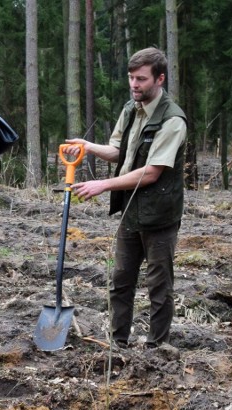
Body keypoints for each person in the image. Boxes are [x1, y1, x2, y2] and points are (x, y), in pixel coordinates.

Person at [64, 47, 187, 348]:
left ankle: (157, 350)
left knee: (159, 286)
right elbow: (121, 152)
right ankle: (118, 344)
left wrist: (103, 185)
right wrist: (89, 146)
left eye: (141, 79)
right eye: (131, 78)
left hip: (159, 214)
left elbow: (150, 172)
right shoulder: (131, 109)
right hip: (131, 211)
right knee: (121, 281)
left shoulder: (173, 121)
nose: (134, 84)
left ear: (160, 79)